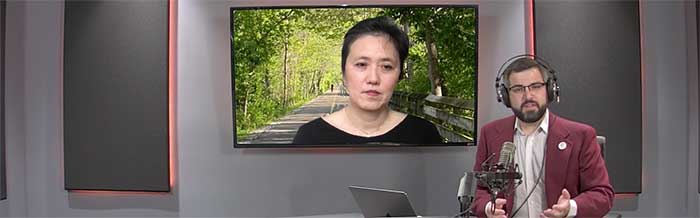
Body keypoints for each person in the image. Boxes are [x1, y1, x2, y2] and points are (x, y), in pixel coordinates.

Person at [471, 56, 614, 217]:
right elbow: (480, 192)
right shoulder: (490, 133)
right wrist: (488, 207)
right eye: (518, 89)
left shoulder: (581, 135)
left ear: (550, 89)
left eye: (535, 86)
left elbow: (602, 195)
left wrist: (570, 208)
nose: (528, 95)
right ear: (505, 96)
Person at [292, 16, 442, 145]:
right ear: (343, 71)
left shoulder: (423, 135)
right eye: (361, 65)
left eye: (386, 67)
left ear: (399, 75)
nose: (373, 79)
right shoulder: (310, 137)